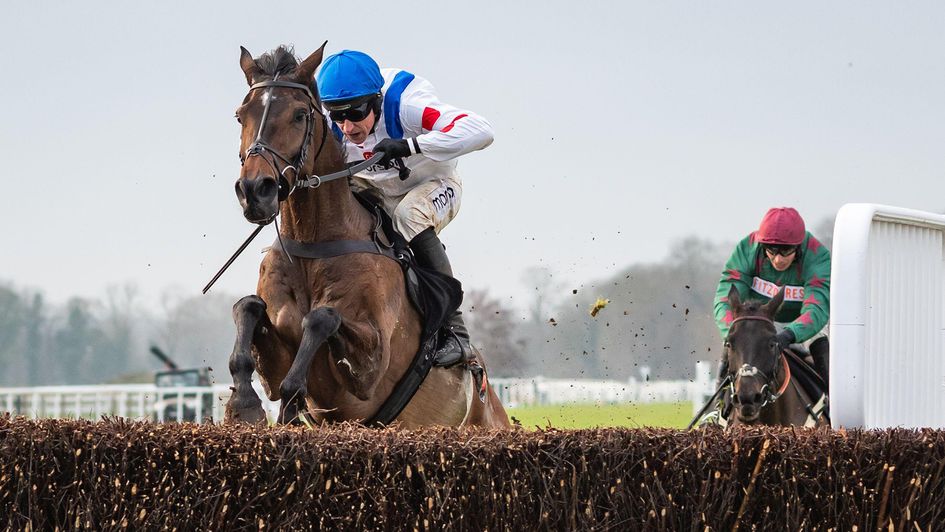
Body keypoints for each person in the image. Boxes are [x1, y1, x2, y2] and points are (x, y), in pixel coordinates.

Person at [315, 50, 494, 364]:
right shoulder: (332, 123)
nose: (346, 126)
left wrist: (411, 145)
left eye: (355, 114)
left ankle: (456, 334)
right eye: (337, 115)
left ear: (376, 102)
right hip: (373, 187)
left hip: (433, 184)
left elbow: (482, 130)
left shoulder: (407, 105)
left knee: (408, 216)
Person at [713, 207, 832, 394]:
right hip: (758, 322)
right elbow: (725, 299)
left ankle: (833, 409)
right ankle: (717, 406)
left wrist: (789, 335)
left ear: (798, 247)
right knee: (730, 349)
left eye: (786, 251)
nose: (778, 260)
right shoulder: (747, 249)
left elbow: (816, 309)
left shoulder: (817, 256)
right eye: (772, 250)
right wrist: (733, 329)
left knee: (827, 361)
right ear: (762, 245)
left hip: (804, 325)